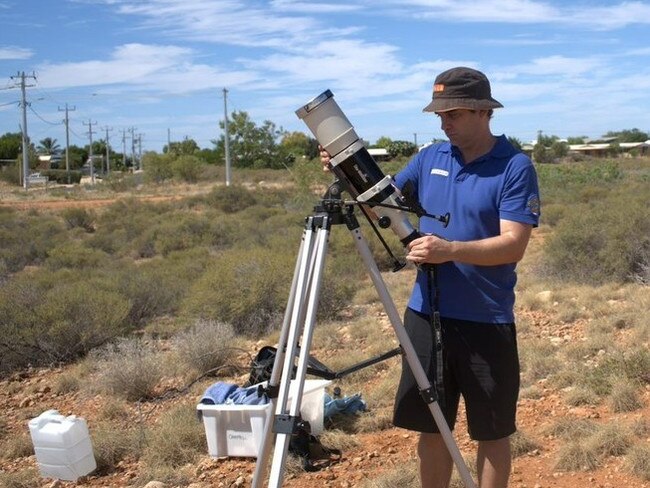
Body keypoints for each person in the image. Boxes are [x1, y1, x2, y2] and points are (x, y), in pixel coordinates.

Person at [320, 67, 540, 488]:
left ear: (481, 110)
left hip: (486, 319)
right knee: (432, 424)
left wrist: (449, 250)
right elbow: (384, 211)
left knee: (491, 431)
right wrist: (347, 174)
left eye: (452, 113)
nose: (444, 123)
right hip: (425, 314)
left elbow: (514, 244)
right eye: (439, 115)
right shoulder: (430, 158)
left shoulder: (514, 167)